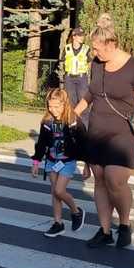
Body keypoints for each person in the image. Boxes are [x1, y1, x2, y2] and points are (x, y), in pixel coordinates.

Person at [74, 14, 134, 249]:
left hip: (124, 134)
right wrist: (75, 111)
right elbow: (91, 93)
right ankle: (105, 230)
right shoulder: (97, 65)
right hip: (98, 130)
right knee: (99, 178)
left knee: (115, 179)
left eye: (97, 49)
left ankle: (125, 224)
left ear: (111, 45)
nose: (94, 53)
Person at [31, 87, 87, 238]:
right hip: (52, 160)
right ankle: (58, 223)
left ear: (65, 104)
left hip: (67, 161)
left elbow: (84, 143)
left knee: (59, 191)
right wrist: (36, 162)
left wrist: (87, 165)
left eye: (56, 106)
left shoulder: (73, 121)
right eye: (50, 106)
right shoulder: (47, 122)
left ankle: (76, 212)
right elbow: (41, 144)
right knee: (54, 193)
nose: (53, 109)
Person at [61, 26, 91, 114]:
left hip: (82, 79)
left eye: (83, 35)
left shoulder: (86, 48)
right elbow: (63, 62)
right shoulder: (67, 48)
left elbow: (89, 63)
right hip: (69, 78)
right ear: (74, 36)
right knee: (70, 103)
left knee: (83, 103)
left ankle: (84, 126)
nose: (82, 37)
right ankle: (71, 124)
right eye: (80, 35)